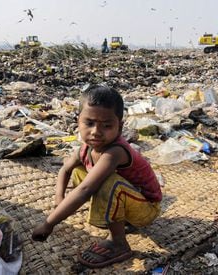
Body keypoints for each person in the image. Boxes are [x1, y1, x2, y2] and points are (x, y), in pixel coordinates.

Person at [32, 85, 162, 268]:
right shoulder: (86, 148)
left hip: (146, 209)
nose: (96, 132)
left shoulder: (115, 152)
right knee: (80, 172)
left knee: (106, 182)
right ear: (78, 122)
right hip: (130, 201)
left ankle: (119, 243)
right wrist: (59, 199)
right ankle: (119, 219)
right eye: (89, 123)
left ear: (120, 127)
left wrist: (49, 223)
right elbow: (65, 170)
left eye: (107, 126)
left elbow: (86, 190)